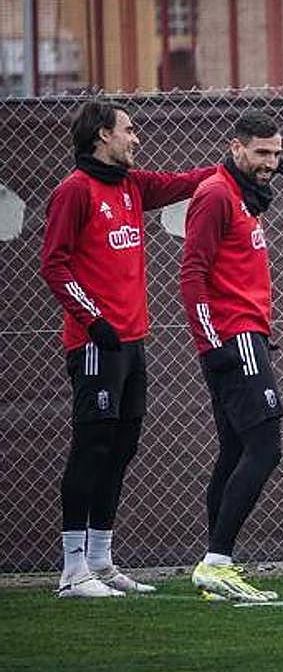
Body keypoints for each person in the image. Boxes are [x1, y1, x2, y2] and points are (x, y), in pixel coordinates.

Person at [40, 101, 217, 598]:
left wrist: (245, 166)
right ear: (102, 136)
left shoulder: (134, 187)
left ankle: (101, 561)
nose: (136, 139)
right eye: (129, 130)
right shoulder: (75, 191)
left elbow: (188, 181)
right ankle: (73, 571)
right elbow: (54, 265)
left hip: (133, 342)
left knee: (120, 449)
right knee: (91, 448)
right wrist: (92, 320)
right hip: (96, 342)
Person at [181, 111, 283, 603]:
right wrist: (211, 340)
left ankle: (215, 566)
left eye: (276, 153)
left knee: (235, 452)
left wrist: (279, 168)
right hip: (234, 337)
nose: (271, 162)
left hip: (244, 334)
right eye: (261, 153)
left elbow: (256, 175)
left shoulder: (240, 191)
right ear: (236, 148)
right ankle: (217, 561)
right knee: (266, 448)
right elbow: (192, 274)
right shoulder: (217, 195)